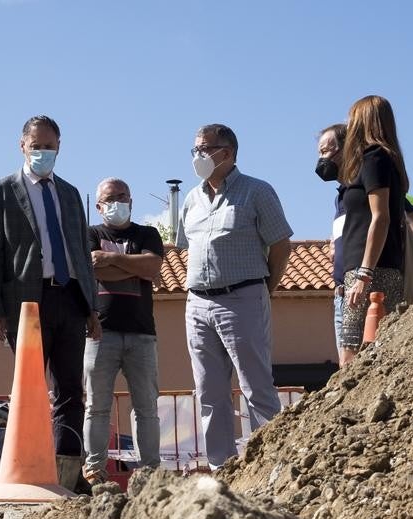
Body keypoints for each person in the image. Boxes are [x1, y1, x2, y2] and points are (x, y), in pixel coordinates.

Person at [0, 115, 99, 492]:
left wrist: (92, 307)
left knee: (70, 390)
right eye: (36, 146)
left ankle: (67, 471)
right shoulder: (0, 191)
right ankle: (28, 471)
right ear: (22, 146)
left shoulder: (69, 193)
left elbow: (81, 251)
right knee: (30, 389)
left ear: (59, 148)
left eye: (49, 146)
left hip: (70, 298)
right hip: (26, 304)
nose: (43, 152)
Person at [177, 124, 294, 469]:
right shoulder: (191, 199)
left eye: (203, 149)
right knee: (209, 392)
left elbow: (281, 245)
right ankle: (221, 469)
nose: (197, 156)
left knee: (255, 386)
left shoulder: (257, 191)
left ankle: (270, 465)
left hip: (242, 296)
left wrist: (263, 289)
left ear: (226, 153)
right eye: (194, 149)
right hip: (197, 303)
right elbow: (188, 248)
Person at [82, 178, 165, 484]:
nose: (116, 202)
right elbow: (88, 267)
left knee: (146, 407)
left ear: (131, 200)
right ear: (98, 205)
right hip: (99, 333)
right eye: (109, 197)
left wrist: (111, 260)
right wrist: (135, 265)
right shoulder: (89, 234)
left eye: (122, 196)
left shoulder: (147, 234)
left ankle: (150, 474)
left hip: (142, 333)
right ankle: (94, 471)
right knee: (96, 406)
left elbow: (152, 267)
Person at [338, 95, 410, 366]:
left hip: (372, 272)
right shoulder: (380, 159)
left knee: (353, 353)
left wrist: (364, 274)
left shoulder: (375, 158)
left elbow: (381, 218)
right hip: (368, 271)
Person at [315, 123, 348, 356]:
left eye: (327, 150)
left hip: (362, 292)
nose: (322, 158)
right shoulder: (340, 200)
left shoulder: (368, 189)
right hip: (341, 295)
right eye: (319, 153)